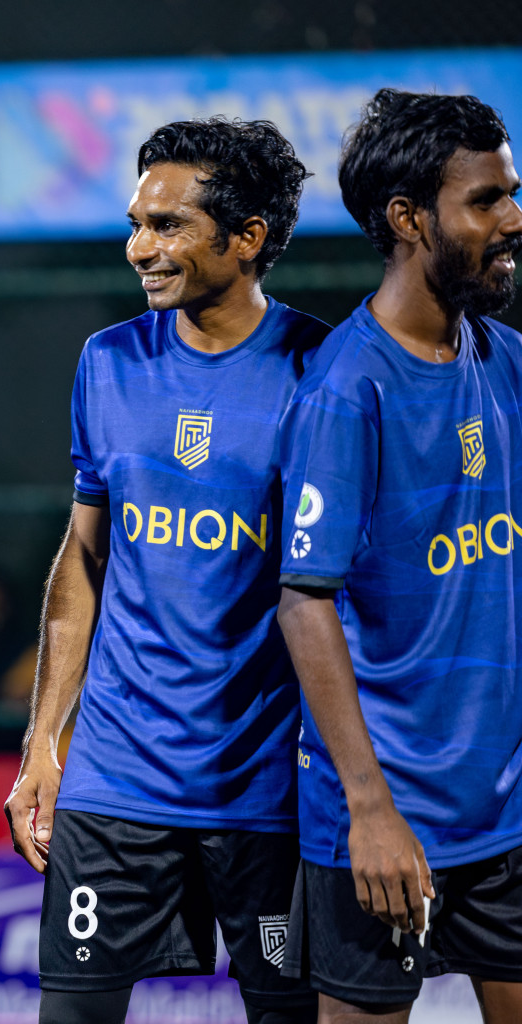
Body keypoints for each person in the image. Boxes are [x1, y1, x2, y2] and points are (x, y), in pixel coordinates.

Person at [4, 118, 326, 1024]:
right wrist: (44, 742)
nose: (140, 247)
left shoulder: (324, 372)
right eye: (137, 221)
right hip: (116, 778)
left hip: (265, 786)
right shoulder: (107, 362)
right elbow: (85, 556)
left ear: (249, 237)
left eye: (169, 225)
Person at [277, 88, 522, 1023]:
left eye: (511, 193)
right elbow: (305, 605)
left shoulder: (507, 365)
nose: (513, 219)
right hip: (383, 826)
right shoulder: (347, 390)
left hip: (504, 817)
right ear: (409, 219)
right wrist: (372, 808)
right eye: (487, 200)